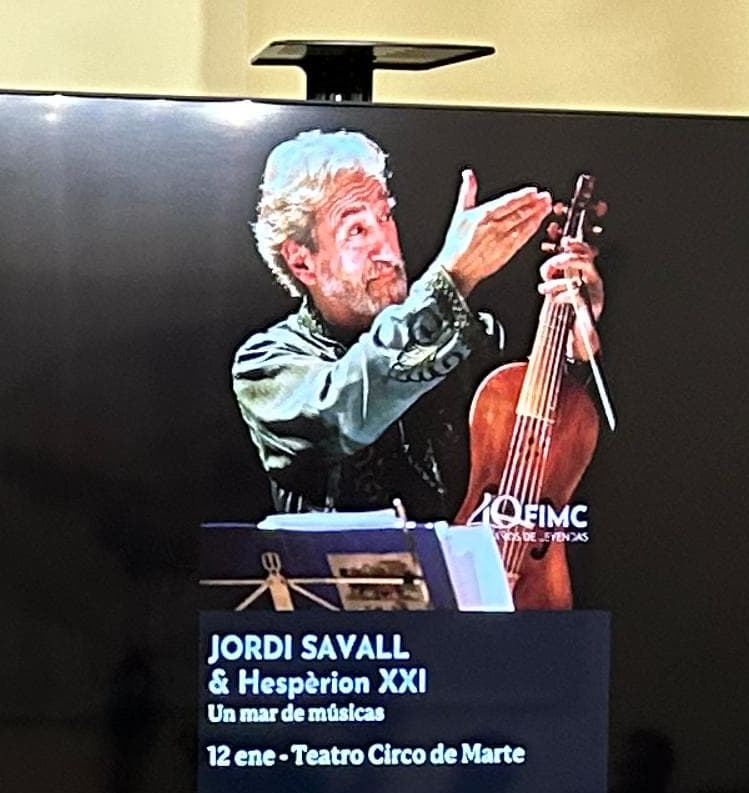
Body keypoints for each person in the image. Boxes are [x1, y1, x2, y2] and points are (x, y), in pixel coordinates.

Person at [228, 128, 603, 525]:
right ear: (302, 261)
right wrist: (451, 277)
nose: (389, 249)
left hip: (469, 585)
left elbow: (537, 468)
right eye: (356, 229)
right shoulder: (266, 365)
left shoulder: (467, 341)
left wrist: (574, 351)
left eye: (385, 216)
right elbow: (341, 412)